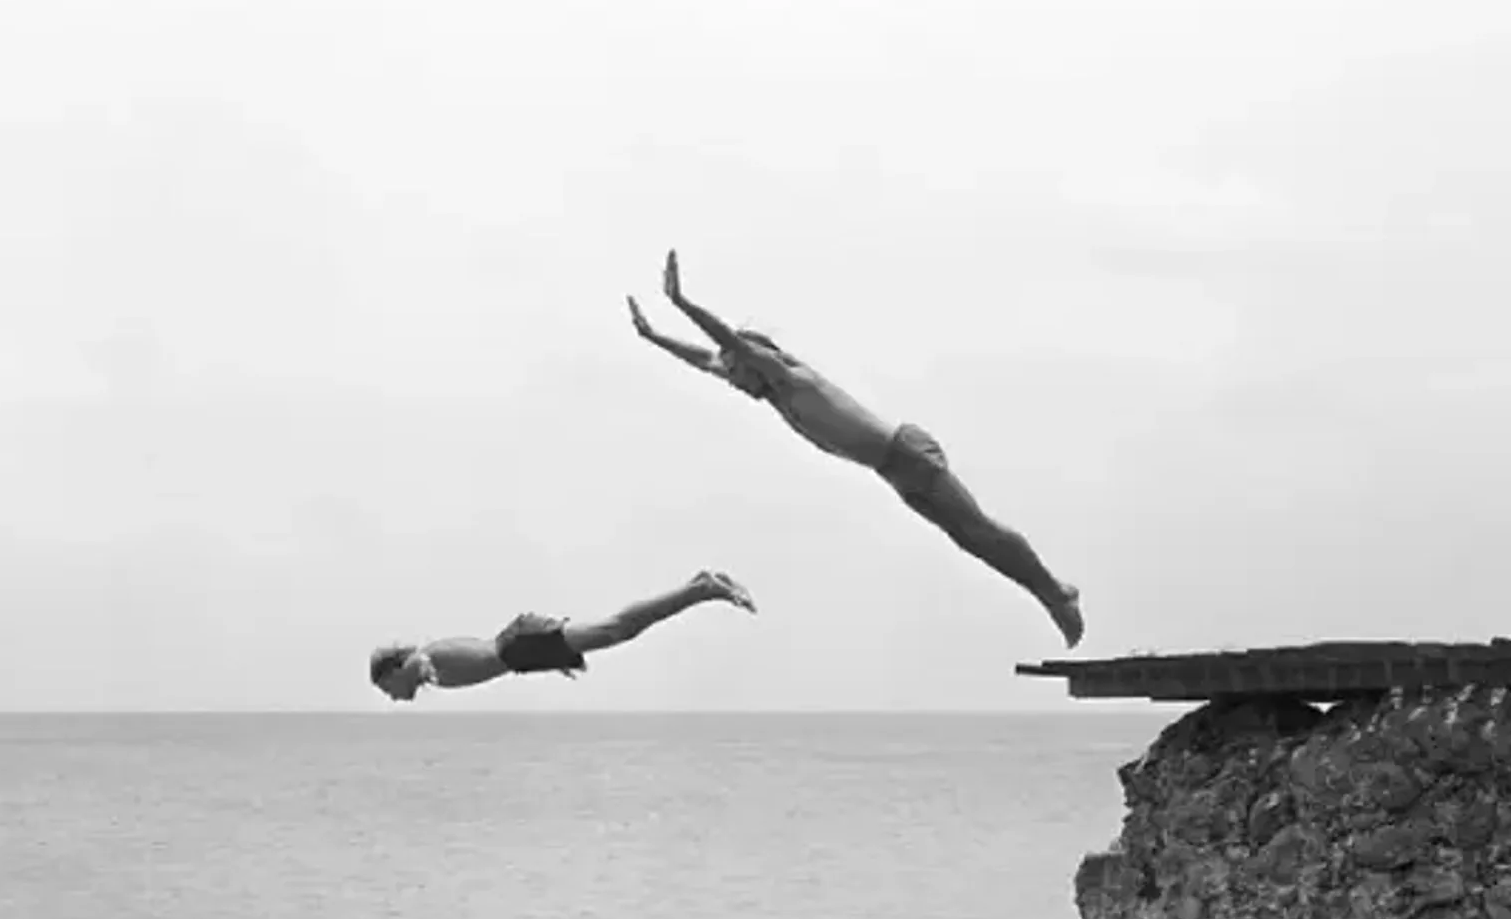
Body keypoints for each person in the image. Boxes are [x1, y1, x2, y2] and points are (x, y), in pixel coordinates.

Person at [626, 251, 1085, 648]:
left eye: (737, 371)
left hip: (905, 452)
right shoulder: (772, 393)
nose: (733, 381)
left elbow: (726, 343)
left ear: (753, 361)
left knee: (979, 530)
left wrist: (682, 303)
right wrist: (654, 337)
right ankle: (1050, 593)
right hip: (892, 469)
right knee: (968, 539)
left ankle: (1056, 593)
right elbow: (707, 359)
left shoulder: (790, 377)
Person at [367, 570, 756, 701]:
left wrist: (425, 669)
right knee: (618, 632)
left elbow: (427, 658)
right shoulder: (428, 670)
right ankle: (697, 589)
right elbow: (485, 661)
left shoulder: (424, 660)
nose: (395, 699)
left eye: (389, 689)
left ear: (397, 668)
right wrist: (551, 665)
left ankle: (700, 588)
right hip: (524, 654)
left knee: (616, 629)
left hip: (520, 645)